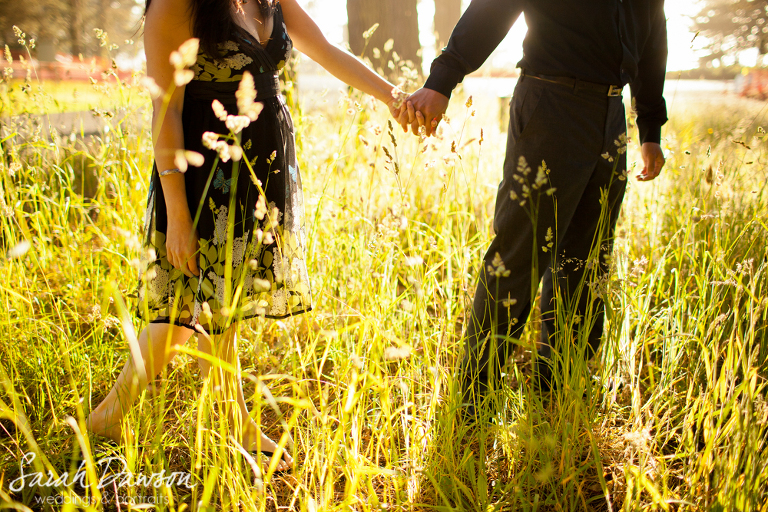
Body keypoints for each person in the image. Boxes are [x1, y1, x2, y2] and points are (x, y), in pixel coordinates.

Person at [84, 0, 406, 472]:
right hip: (205, 175)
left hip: (257, 170)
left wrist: (394, 97)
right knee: (203, 306)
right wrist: (178, 214)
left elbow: (326, 50)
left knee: (202, 307)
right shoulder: (176, 5)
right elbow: (166, 109)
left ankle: (116, 417)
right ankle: (229, 427)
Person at [399, 0, 668, 413]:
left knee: (587, 262)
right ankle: (473, 405)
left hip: (612, 115)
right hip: (551, 103)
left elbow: (653, 38)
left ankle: (557, 397)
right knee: (518, 256)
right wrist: (442, 80)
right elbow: (495, 7)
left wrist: (650, 128)